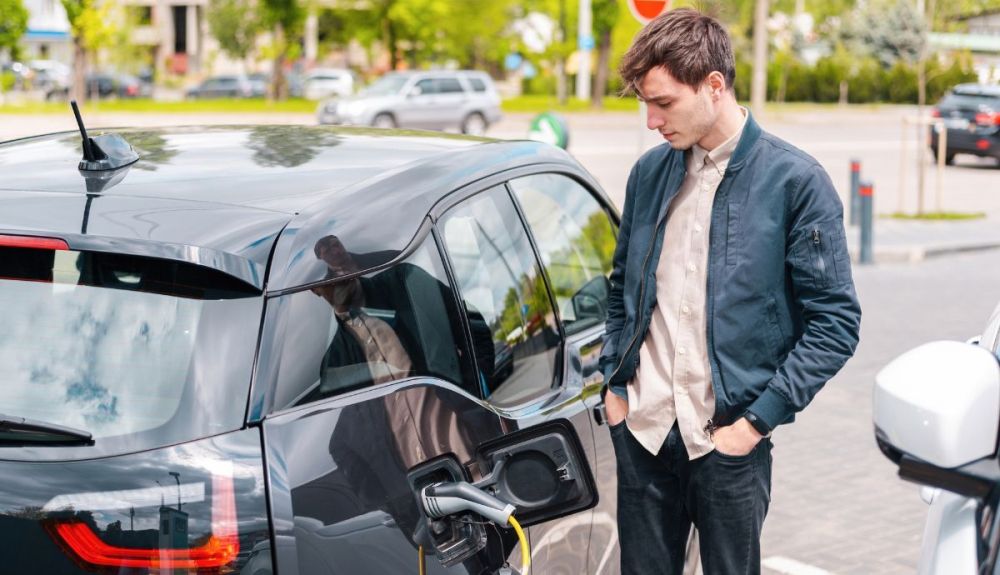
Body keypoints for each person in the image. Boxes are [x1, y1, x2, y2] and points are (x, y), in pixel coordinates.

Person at [598, 9, 862, 574]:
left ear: (713, 85)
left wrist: (757, 422)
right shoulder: (650, 174)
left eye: (663, 103)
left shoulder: (795, 182)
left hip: (729, 444)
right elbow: (620, 286)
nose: (650, 120)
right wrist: (613, 387)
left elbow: (835, 322)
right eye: (645, 103)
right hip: (643, 435)